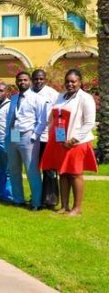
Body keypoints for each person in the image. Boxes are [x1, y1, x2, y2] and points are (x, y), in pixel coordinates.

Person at [40, 69, 98, 216]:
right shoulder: (61, 96)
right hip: (61, 142)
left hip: (77, 142)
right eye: (67, 81)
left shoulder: (85, 98)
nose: (70, 84)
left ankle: (76, 208)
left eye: (73, 81)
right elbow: (57, 117)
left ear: (80, 82)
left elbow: (89, 123)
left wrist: (73, 140)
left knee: (75, 174)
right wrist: (60, 139)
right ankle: (64, 206)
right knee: (63, 173)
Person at [6, 72, 46, 209]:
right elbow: (11, 117)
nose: (22, 82)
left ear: (29, 81)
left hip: (28, 136)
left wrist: (35, 136)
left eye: (25, 80)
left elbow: (42, 120)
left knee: (31, 170)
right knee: (14, 169)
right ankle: (18, 199)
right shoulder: (14, 98)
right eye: (19, 80)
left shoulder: (37, 99)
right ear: (16, 82)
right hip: (14, 134)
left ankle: (36, 203)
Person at [28, 69, 60, 210]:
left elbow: (60, 117)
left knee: (49, 170)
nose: (38, 81)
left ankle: (50, 199)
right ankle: (36, 197)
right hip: (31, 139)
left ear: (45, 79)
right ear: (31, 79)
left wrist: (60, 138)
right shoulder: (26, 94)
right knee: (33, 169)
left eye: (41, 79)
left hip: (48, 137)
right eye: (35, 79)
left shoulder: (53, 94)